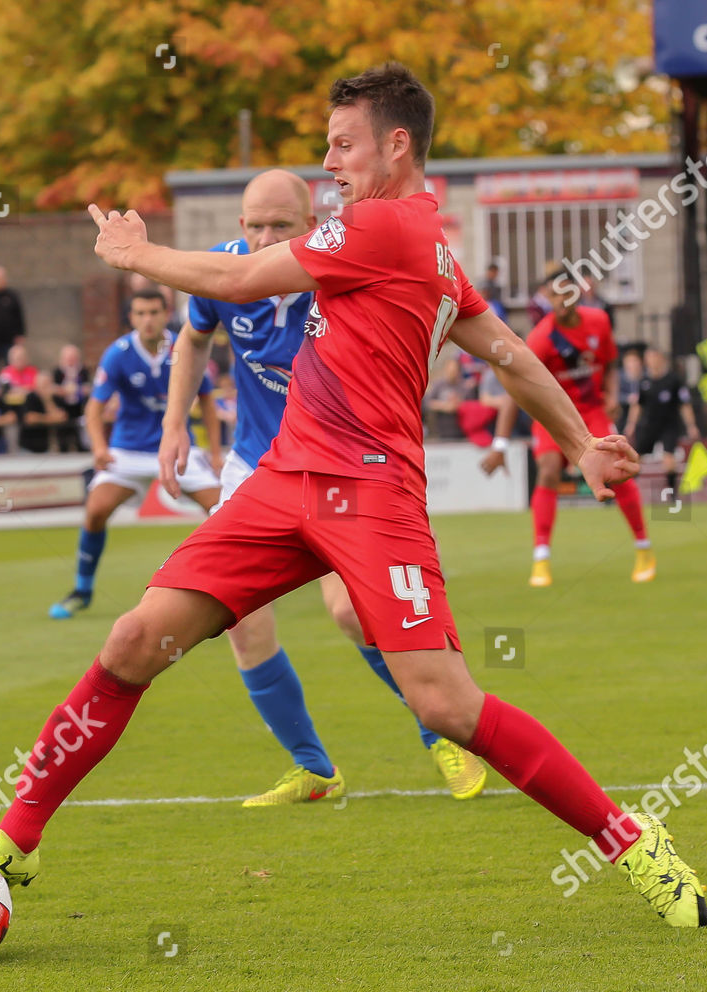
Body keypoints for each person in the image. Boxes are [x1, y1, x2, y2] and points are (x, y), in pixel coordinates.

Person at [0, 63, 707, 929]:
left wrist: (136, 255)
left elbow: (244, 279)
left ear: (397, 145)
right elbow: (507, 353)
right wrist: (579, 442)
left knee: (445, 705)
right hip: (283, 483)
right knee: (135, 640)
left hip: (374, 494)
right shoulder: (422, 245)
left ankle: (631, 838)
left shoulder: (384, 228)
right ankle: (14, 839)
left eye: (342, 143)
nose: (330, 161)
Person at [159, 168, 486, 804]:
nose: (263, 237)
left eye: (279, 226)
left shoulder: (338, 269)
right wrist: (176, 424)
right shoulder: (225, 273)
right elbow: (193, 341)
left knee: (347, 609)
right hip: (256, 463)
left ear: (310, 227)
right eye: (254, 225)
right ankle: (314, 769)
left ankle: (442, 733)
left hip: (334, 461)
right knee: (239, 622)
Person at [47, 288, 223, 618]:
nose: (147, 320)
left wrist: (215, 454)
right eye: (140, 314)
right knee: (96, 510)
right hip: (128, 450)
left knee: (222, 511)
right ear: (131, 318)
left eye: (154, 313)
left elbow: (209, 403)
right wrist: (99, 448)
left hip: (176, 448)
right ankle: (82, 589)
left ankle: (226, 586)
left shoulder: (186, 346)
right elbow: (94, 410)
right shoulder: (119, 353)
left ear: (165, 313)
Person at [482, 268, 655, 586]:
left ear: (577, 292)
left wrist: (613, 393)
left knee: (616, 469)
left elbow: (611, 361)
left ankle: (643, 547)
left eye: (566, 291)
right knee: (547, 470)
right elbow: (515, 389)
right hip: (554, 415)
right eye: (553, 294)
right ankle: (541, 557)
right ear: (547, 298)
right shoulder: (540, 338)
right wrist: (500, 444)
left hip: (592, 412)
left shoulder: (599, 321)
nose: (560, 300)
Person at [623, 348, 699, 500]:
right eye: (647, 358)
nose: (650, 362)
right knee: (636, 459)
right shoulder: (644, 382)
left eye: (652, 358)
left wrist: (691, 425)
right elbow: (638, 405)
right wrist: (631, 424)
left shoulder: (673, 380)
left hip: (669, 426)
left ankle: (672, 496)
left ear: (660, 359)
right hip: (649, 425)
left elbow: (684, 405)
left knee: (669, 460)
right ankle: (626, 492)